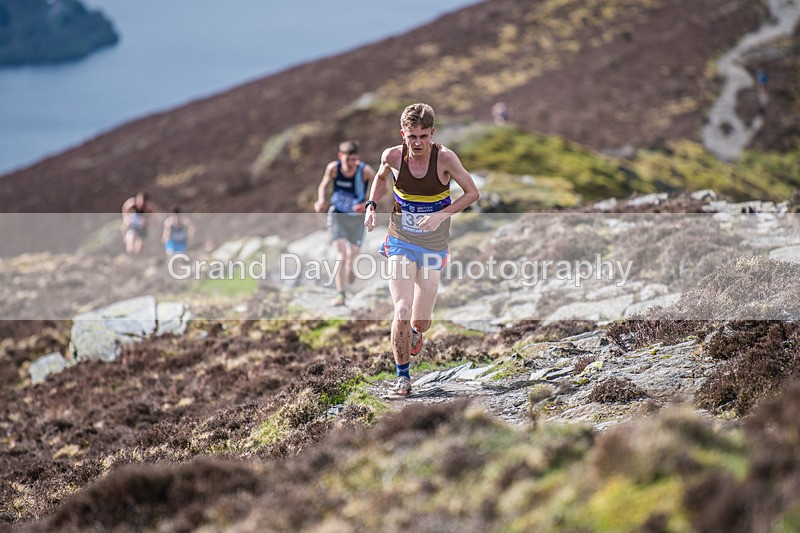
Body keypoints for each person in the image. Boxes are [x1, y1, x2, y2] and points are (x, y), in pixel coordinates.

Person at [364, 103, 480, 396]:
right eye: (411, 136)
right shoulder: (392, 156)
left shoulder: (445, 158)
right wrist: (371, 205)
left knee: (420, 320)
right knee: (401, 310)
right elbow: (380, 178)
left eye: (423, 137)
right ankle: (403, 377)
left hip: (433, 245)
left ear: (432, 134)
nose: (417, 143)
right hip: (400, 239)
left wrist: (442, 215)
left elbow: (472, 192)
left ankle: (415, 334)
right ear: (402, 134)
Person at [314, 140, 376, 306]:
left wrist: (368, 203)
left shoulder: (365, 171)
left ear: (357, 158)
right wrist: (320, 200)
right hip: (338, 215)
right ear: (340, 156)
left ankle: (350, 266)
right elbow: (323, 184)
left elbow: (381, 186)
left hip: (357, 219)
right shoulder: (333, 168)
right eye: (346, 159)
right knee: (341, 256)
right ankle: (341, 294)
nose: (349, 163)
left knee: (353, 253)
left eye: (353, 159)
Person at [121, 191, 155, 255]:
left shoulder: (149, 207)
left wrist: (147, 221)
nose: (141, 204)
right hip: (132, 225)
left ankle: (137, 255)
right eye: (140, 201)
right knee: (131, 238)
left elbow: (151, 217)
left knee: (140, 244)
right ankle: (129, 251)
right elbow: (124, 208)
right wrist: (125, 218)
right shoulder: (131, 203)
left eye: (143, 203)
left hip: (141, 227)